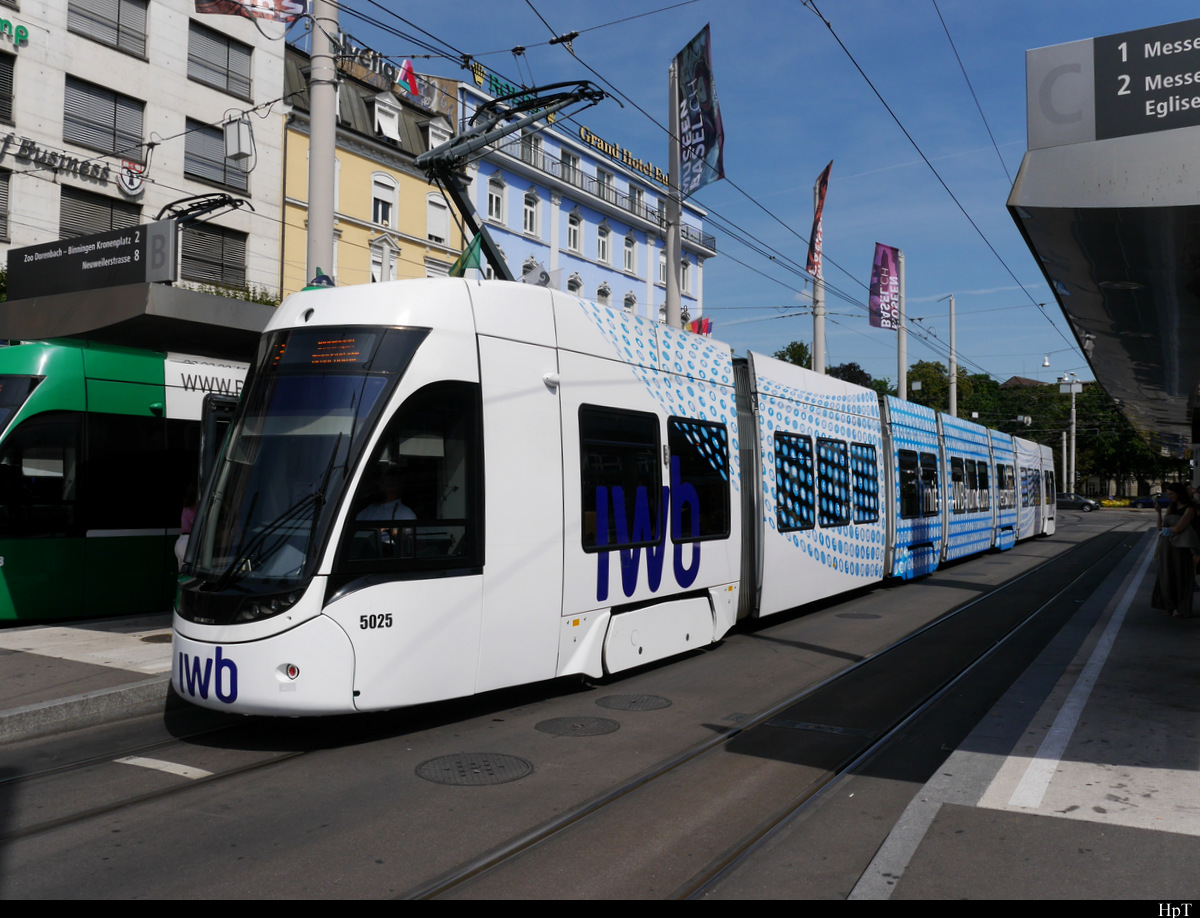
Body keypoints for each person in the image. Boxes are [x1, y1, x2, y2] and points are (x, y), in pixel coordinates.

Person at [1152, 482, 1199, 617]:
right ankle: (1169, 605)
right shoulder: (1172, 507)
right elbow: (1160, 528)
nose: (1169, 497)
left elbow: (1179, 528)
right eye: (1168, 494)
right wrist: (1159, 513)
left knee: (1180, 575)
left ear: (1179, 494)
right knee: (1167, 576)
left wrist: (1168, 530)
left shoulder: (1189, 508)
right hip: (1168, 546)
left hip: (1182, 547)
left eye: (1171, 494)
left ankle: (1180, 607)